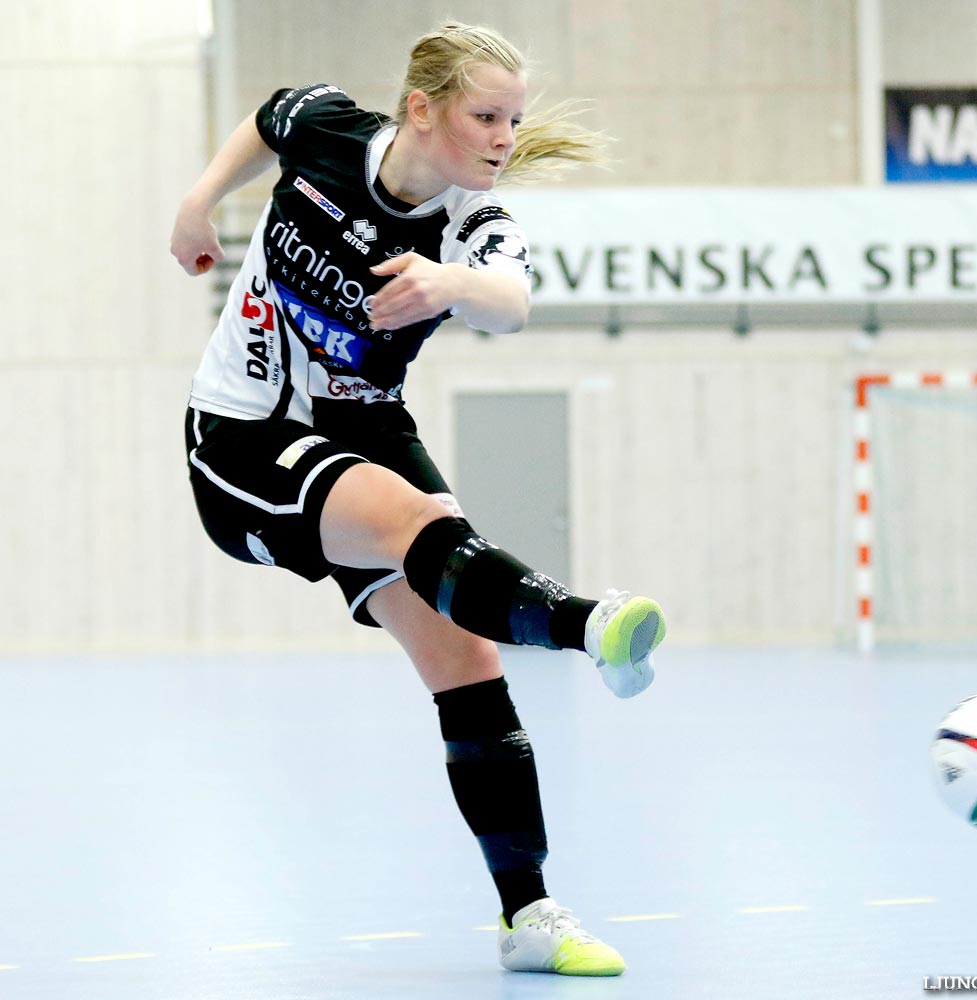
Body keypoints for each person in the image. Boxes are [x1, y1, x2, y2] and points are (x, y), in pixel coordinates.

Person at [170, 22, 665, 976]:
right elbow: (268, 121)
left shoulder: (475, 226)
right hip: (245, 433)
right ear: (421, 109)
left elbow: (511, 301)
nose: (504, 138)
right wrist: (199, 203)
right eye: (486, 115)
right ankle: (588, 624)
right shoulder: (325, 129)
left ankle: (529, 916)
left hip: (362, 426)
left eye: (514, 120)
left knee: (467, 661)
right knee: (419, 526)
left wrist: (449, 283)